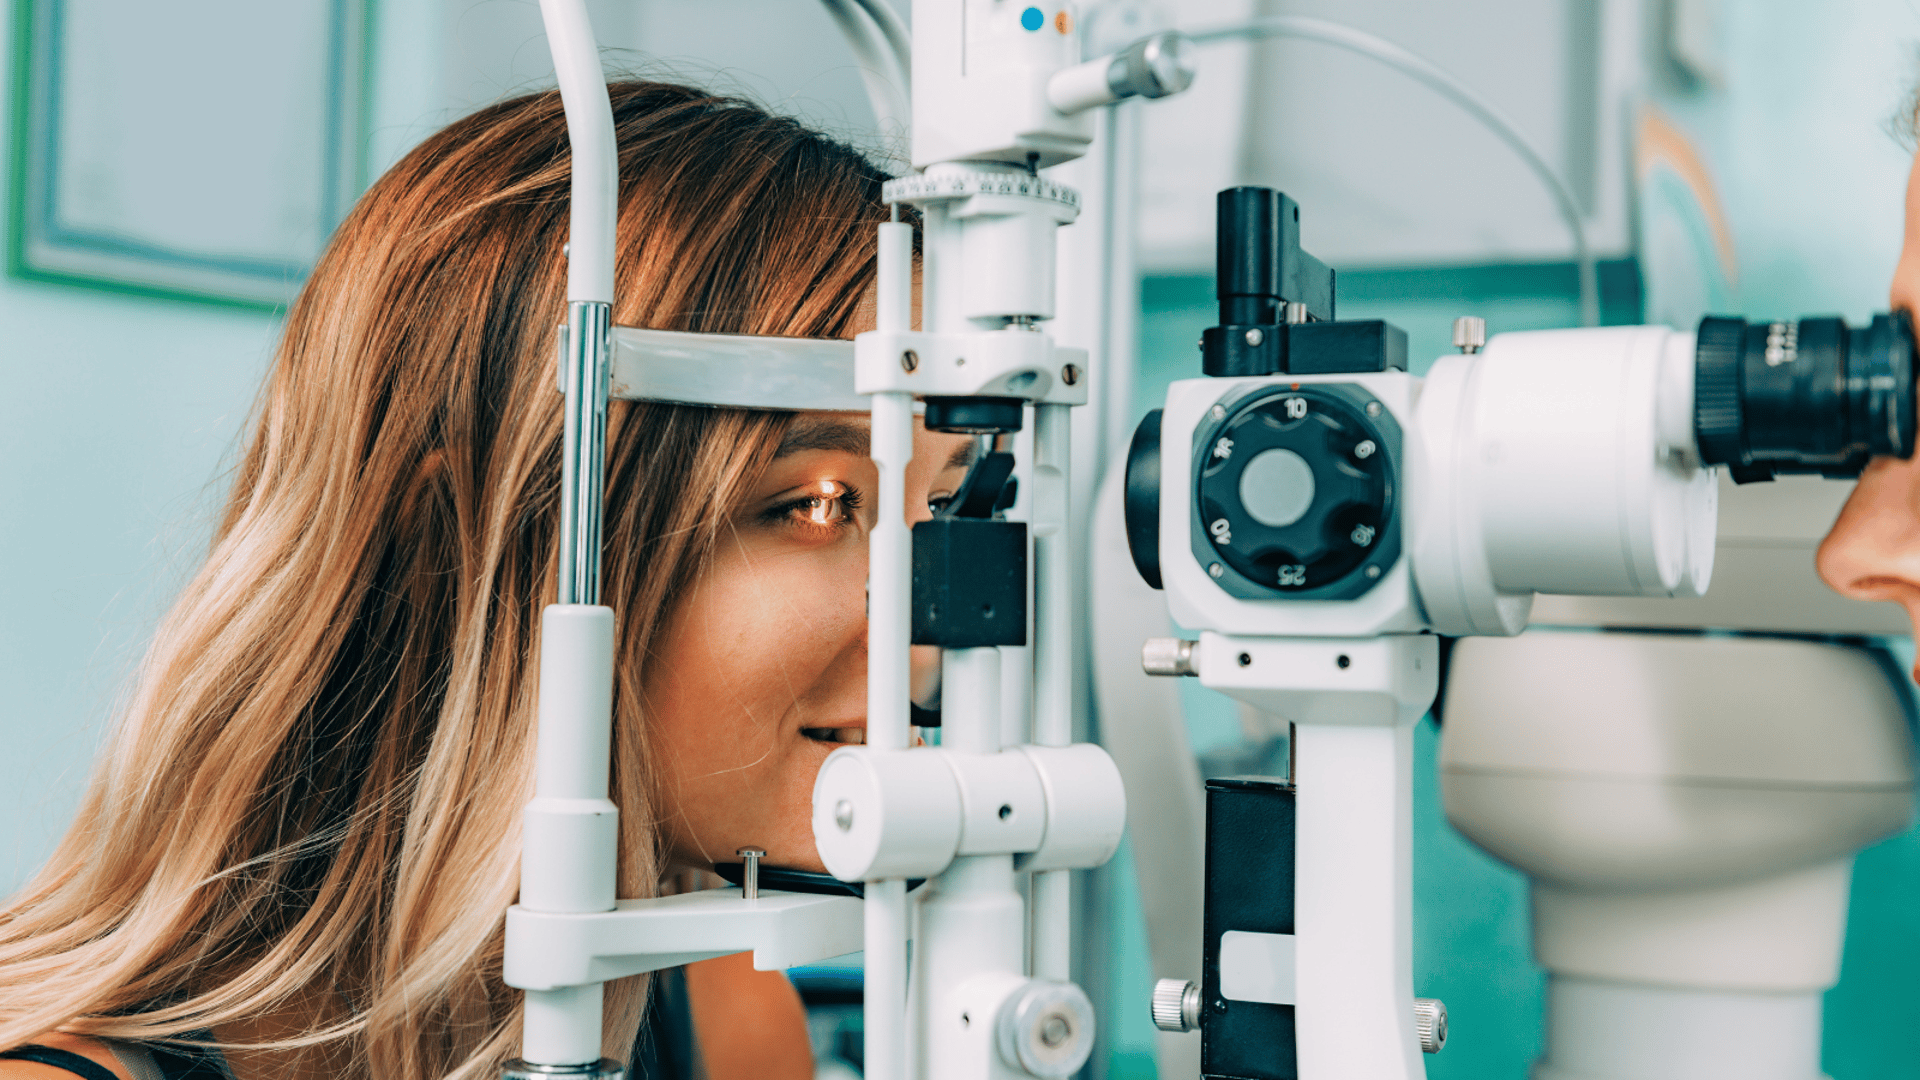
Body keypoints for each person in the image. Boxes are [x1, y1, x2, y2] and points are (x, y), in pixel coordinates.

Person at [0, 80, 973, 1080]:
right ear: (459, 543)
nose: (925, 644)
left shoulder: (714, 1002)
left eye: (936, 509)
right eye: (815, 504)